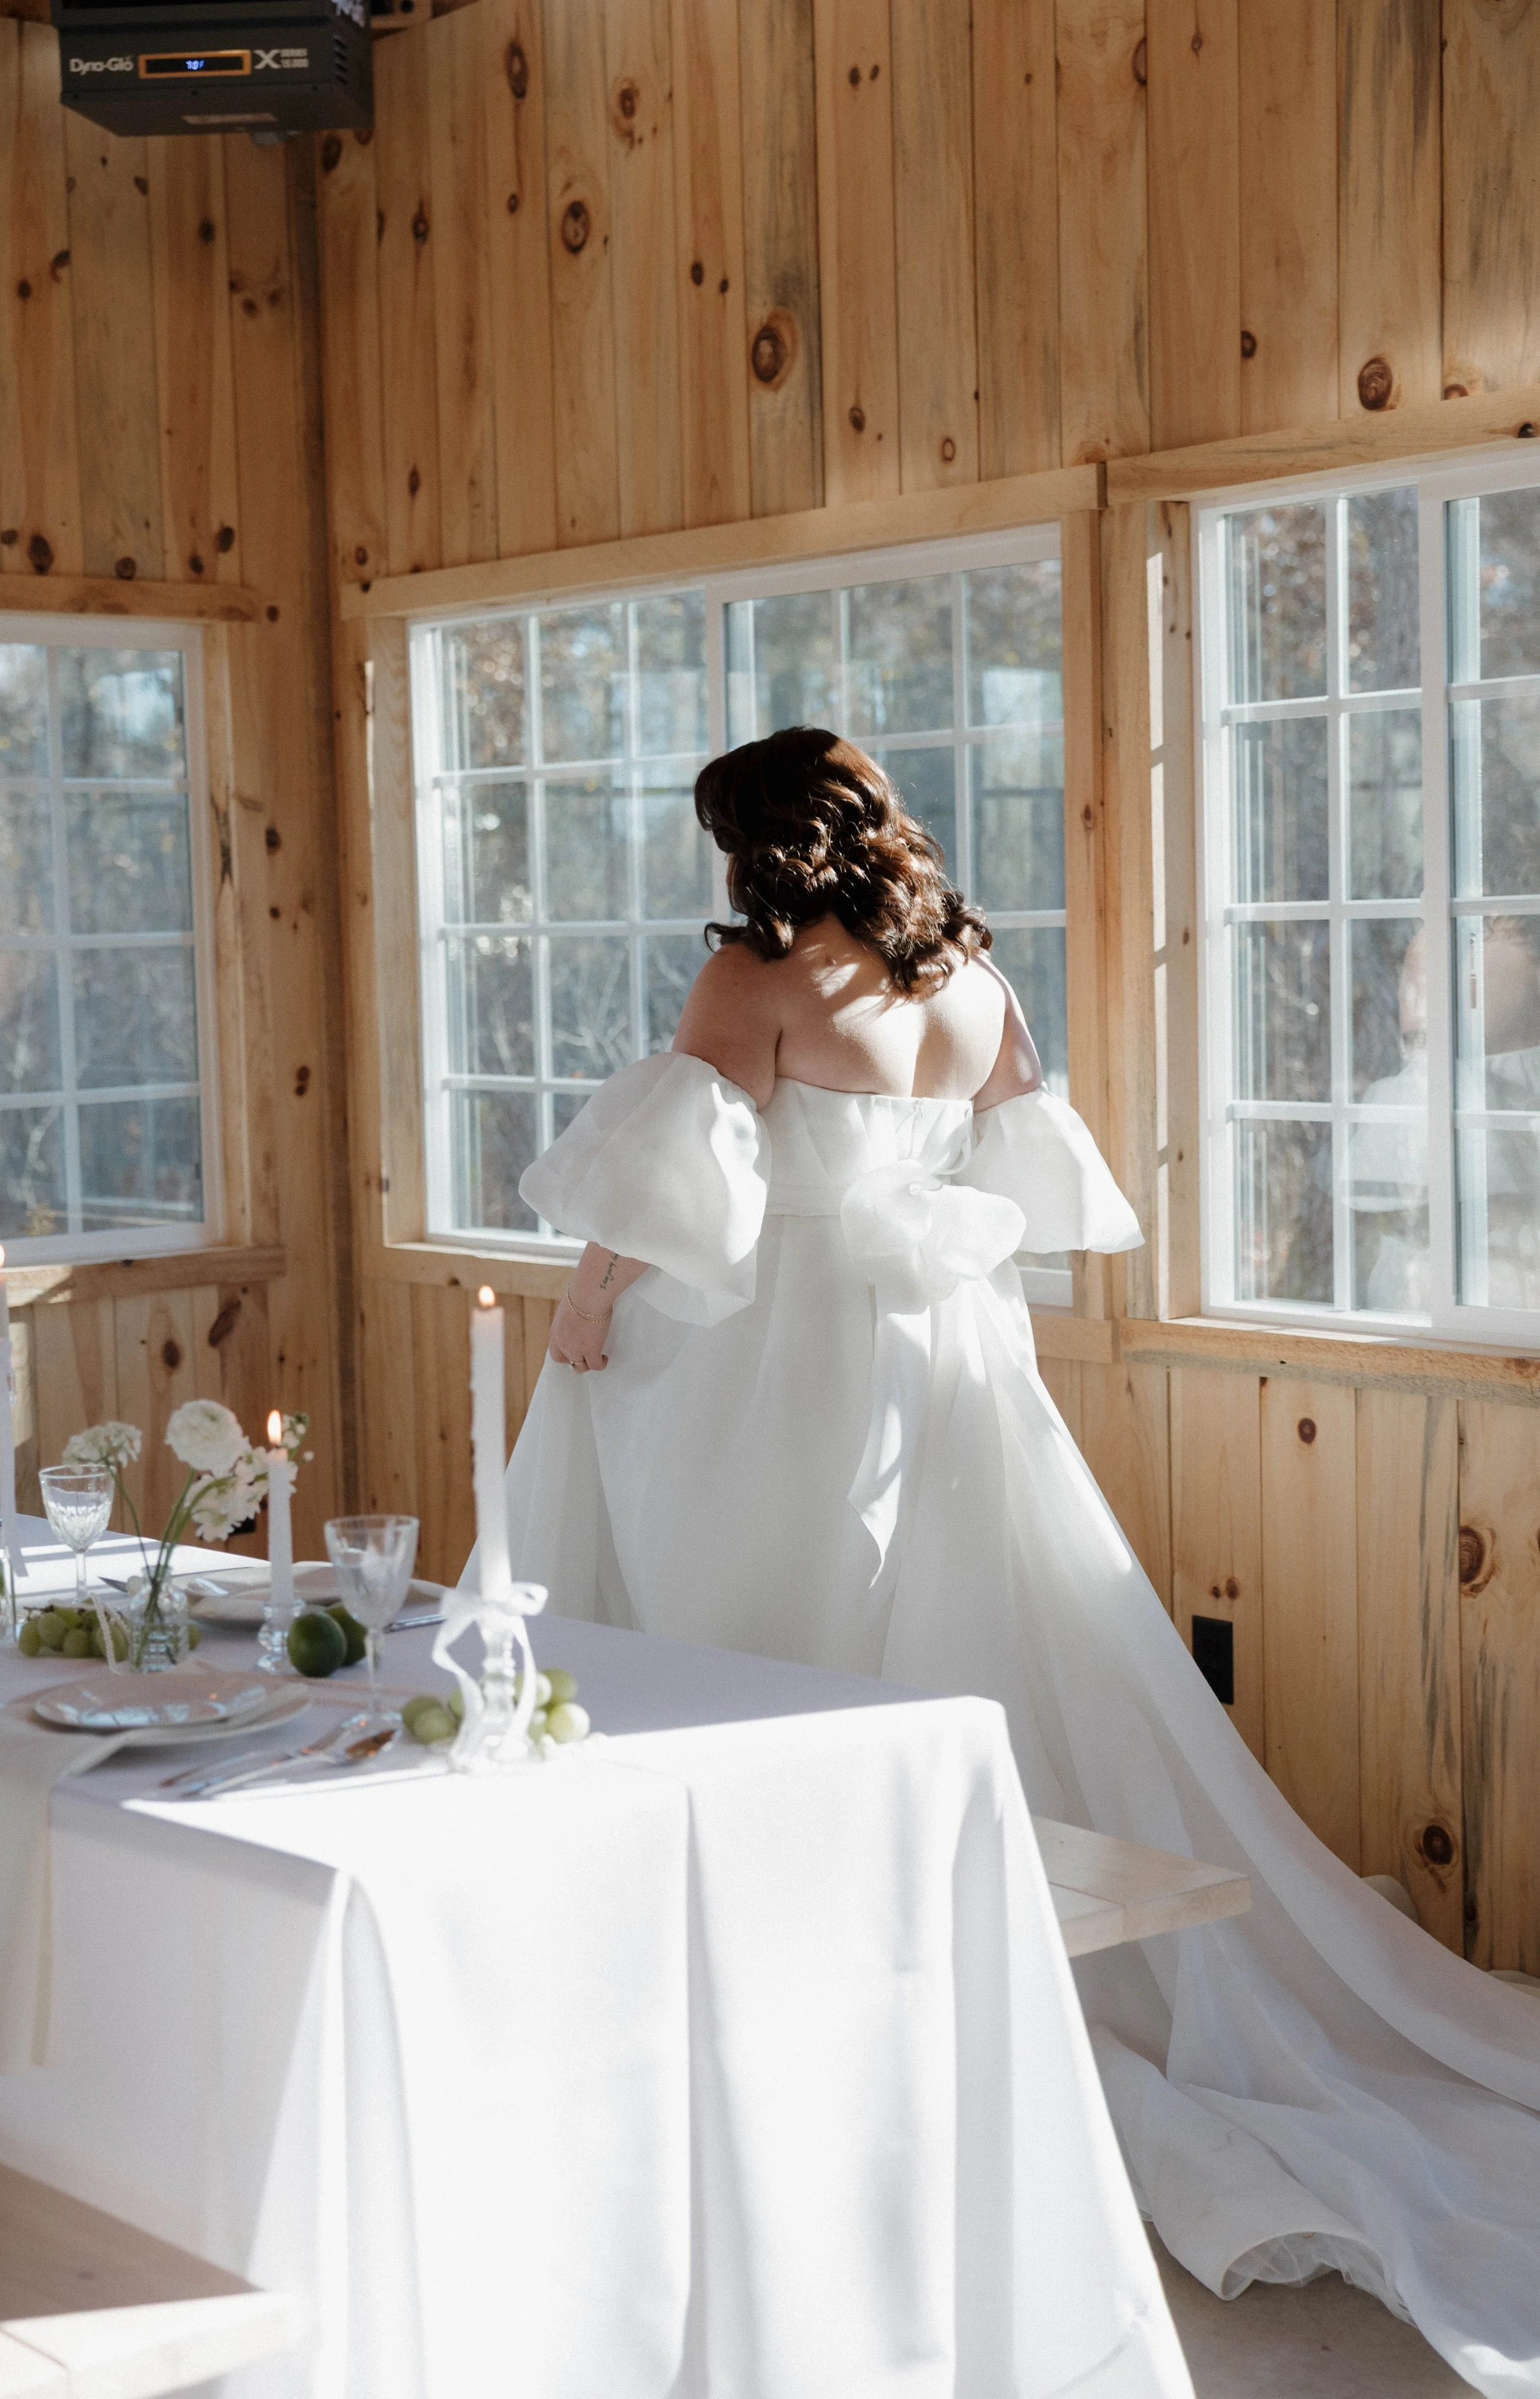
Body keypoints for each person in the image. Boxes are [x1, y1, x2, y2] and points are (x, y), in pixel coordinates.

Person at [471, 728, 1540, 2398]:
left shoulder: (755, 982)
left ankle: (724, 1948)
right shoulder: (967, 968)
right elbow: (1027, 1156)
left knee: (701, 1602)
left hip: (770, 1350)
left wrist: (587, 1300)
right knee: (919, 1635)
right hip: (937, 1350)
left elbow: (672, 1194)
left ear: (757, 846)